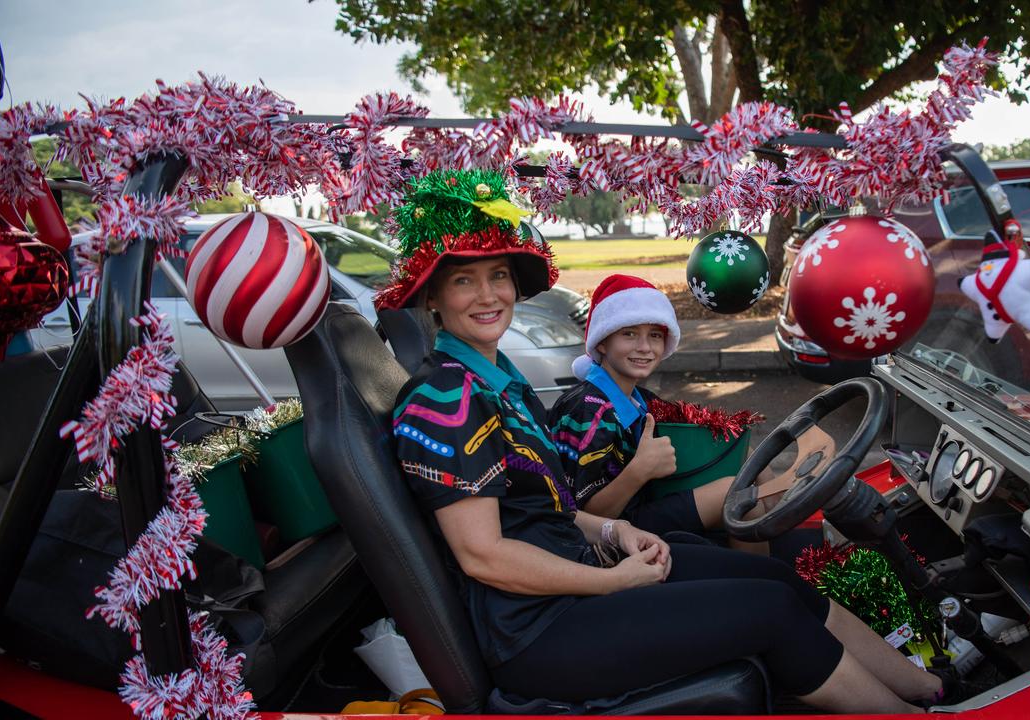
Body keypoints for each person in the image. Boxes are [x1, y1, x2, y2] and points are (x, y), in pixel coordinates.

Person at [377, 170, 944, 713]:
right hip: (536, 631)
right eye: (463, 280)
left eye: (497, 275)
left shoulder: (500, 383)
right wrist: (610, 580)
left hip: (572, 577)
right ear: (432, 298)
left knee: (775, 578)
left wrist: (616, 530)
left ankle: (934, 689)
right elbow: (484, 554)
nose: (487, 294)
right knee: (769, 610)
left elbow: (546, 509)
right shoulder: (444, 398)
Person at [548, 274, 765, 553]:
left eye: (655, 335)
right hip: (613, 535)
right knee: (737, 496)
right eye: (629, 334)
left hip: (644, 506)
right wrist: (640, 471)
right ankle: (760, 585)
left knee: (748, 454)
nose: (645, 347)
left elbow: (697, 429)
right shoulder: (586, 409)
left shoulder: (641, 399)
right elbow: (582, 514)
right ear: (601, 342)